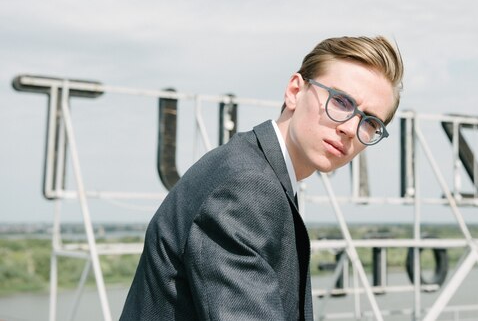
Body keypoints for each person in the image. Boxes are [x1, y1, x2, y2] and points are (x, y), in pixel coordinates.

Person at [120, 36, 404, 320]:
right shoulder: (248, 186)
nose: (351, 129)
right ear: (295, 91)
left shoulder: (257, 169)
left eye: (370, 122)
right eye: (341, 101)